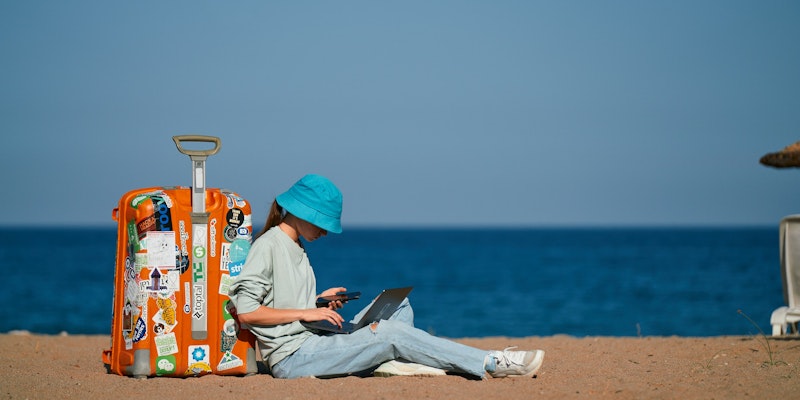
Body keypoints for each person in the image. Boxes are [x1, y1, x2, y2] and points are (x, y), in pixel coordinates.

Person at [228, 174, 545, 379]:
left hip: (314, 338)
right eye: (321, 223)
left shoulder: (294, 244)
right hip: (294, 357)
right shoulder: (268, 245)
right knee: (391, 334)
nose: (325, 231)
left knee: (399, 306)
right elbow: (248, 311)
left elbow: (279, 300)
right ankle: (492, 362)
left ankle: (383, 361)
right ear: (300, 213)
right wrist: (306, 311)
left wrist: (319, 300)